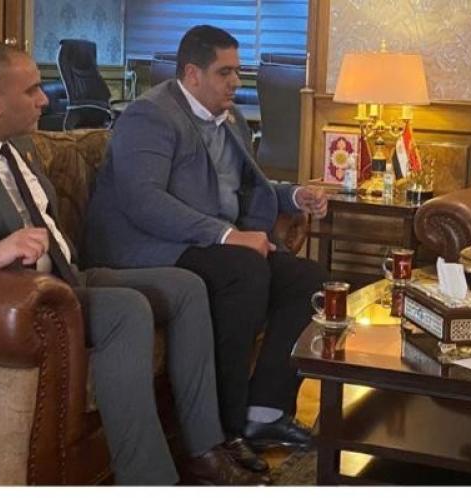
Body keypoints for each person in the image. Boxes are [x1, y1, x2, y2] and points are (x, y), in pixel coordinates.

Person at [0, 41, 265, 485]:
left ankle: (204, 449)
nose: (45, 99)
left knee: (187, 287)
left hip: (71, 274)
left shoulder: (19, 146)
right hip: (27, 297)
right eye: (31, 90)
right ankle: (149, 481)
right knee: (127, 309)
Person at [84, 25, 329, 471]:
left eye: (238, 71)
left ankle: (265, 412)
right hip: (150, 246)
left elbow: (244, 186)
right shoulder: (149, 117)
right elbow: (144, 201)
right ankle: (226, 430)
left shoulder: (229, 119)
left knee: (306, 278)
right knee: (244, 271)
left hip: (209, 244)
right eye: (225, 72)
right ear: (192, 74)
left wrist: (294, 196)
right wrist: (227, 236)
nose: (236, 82)